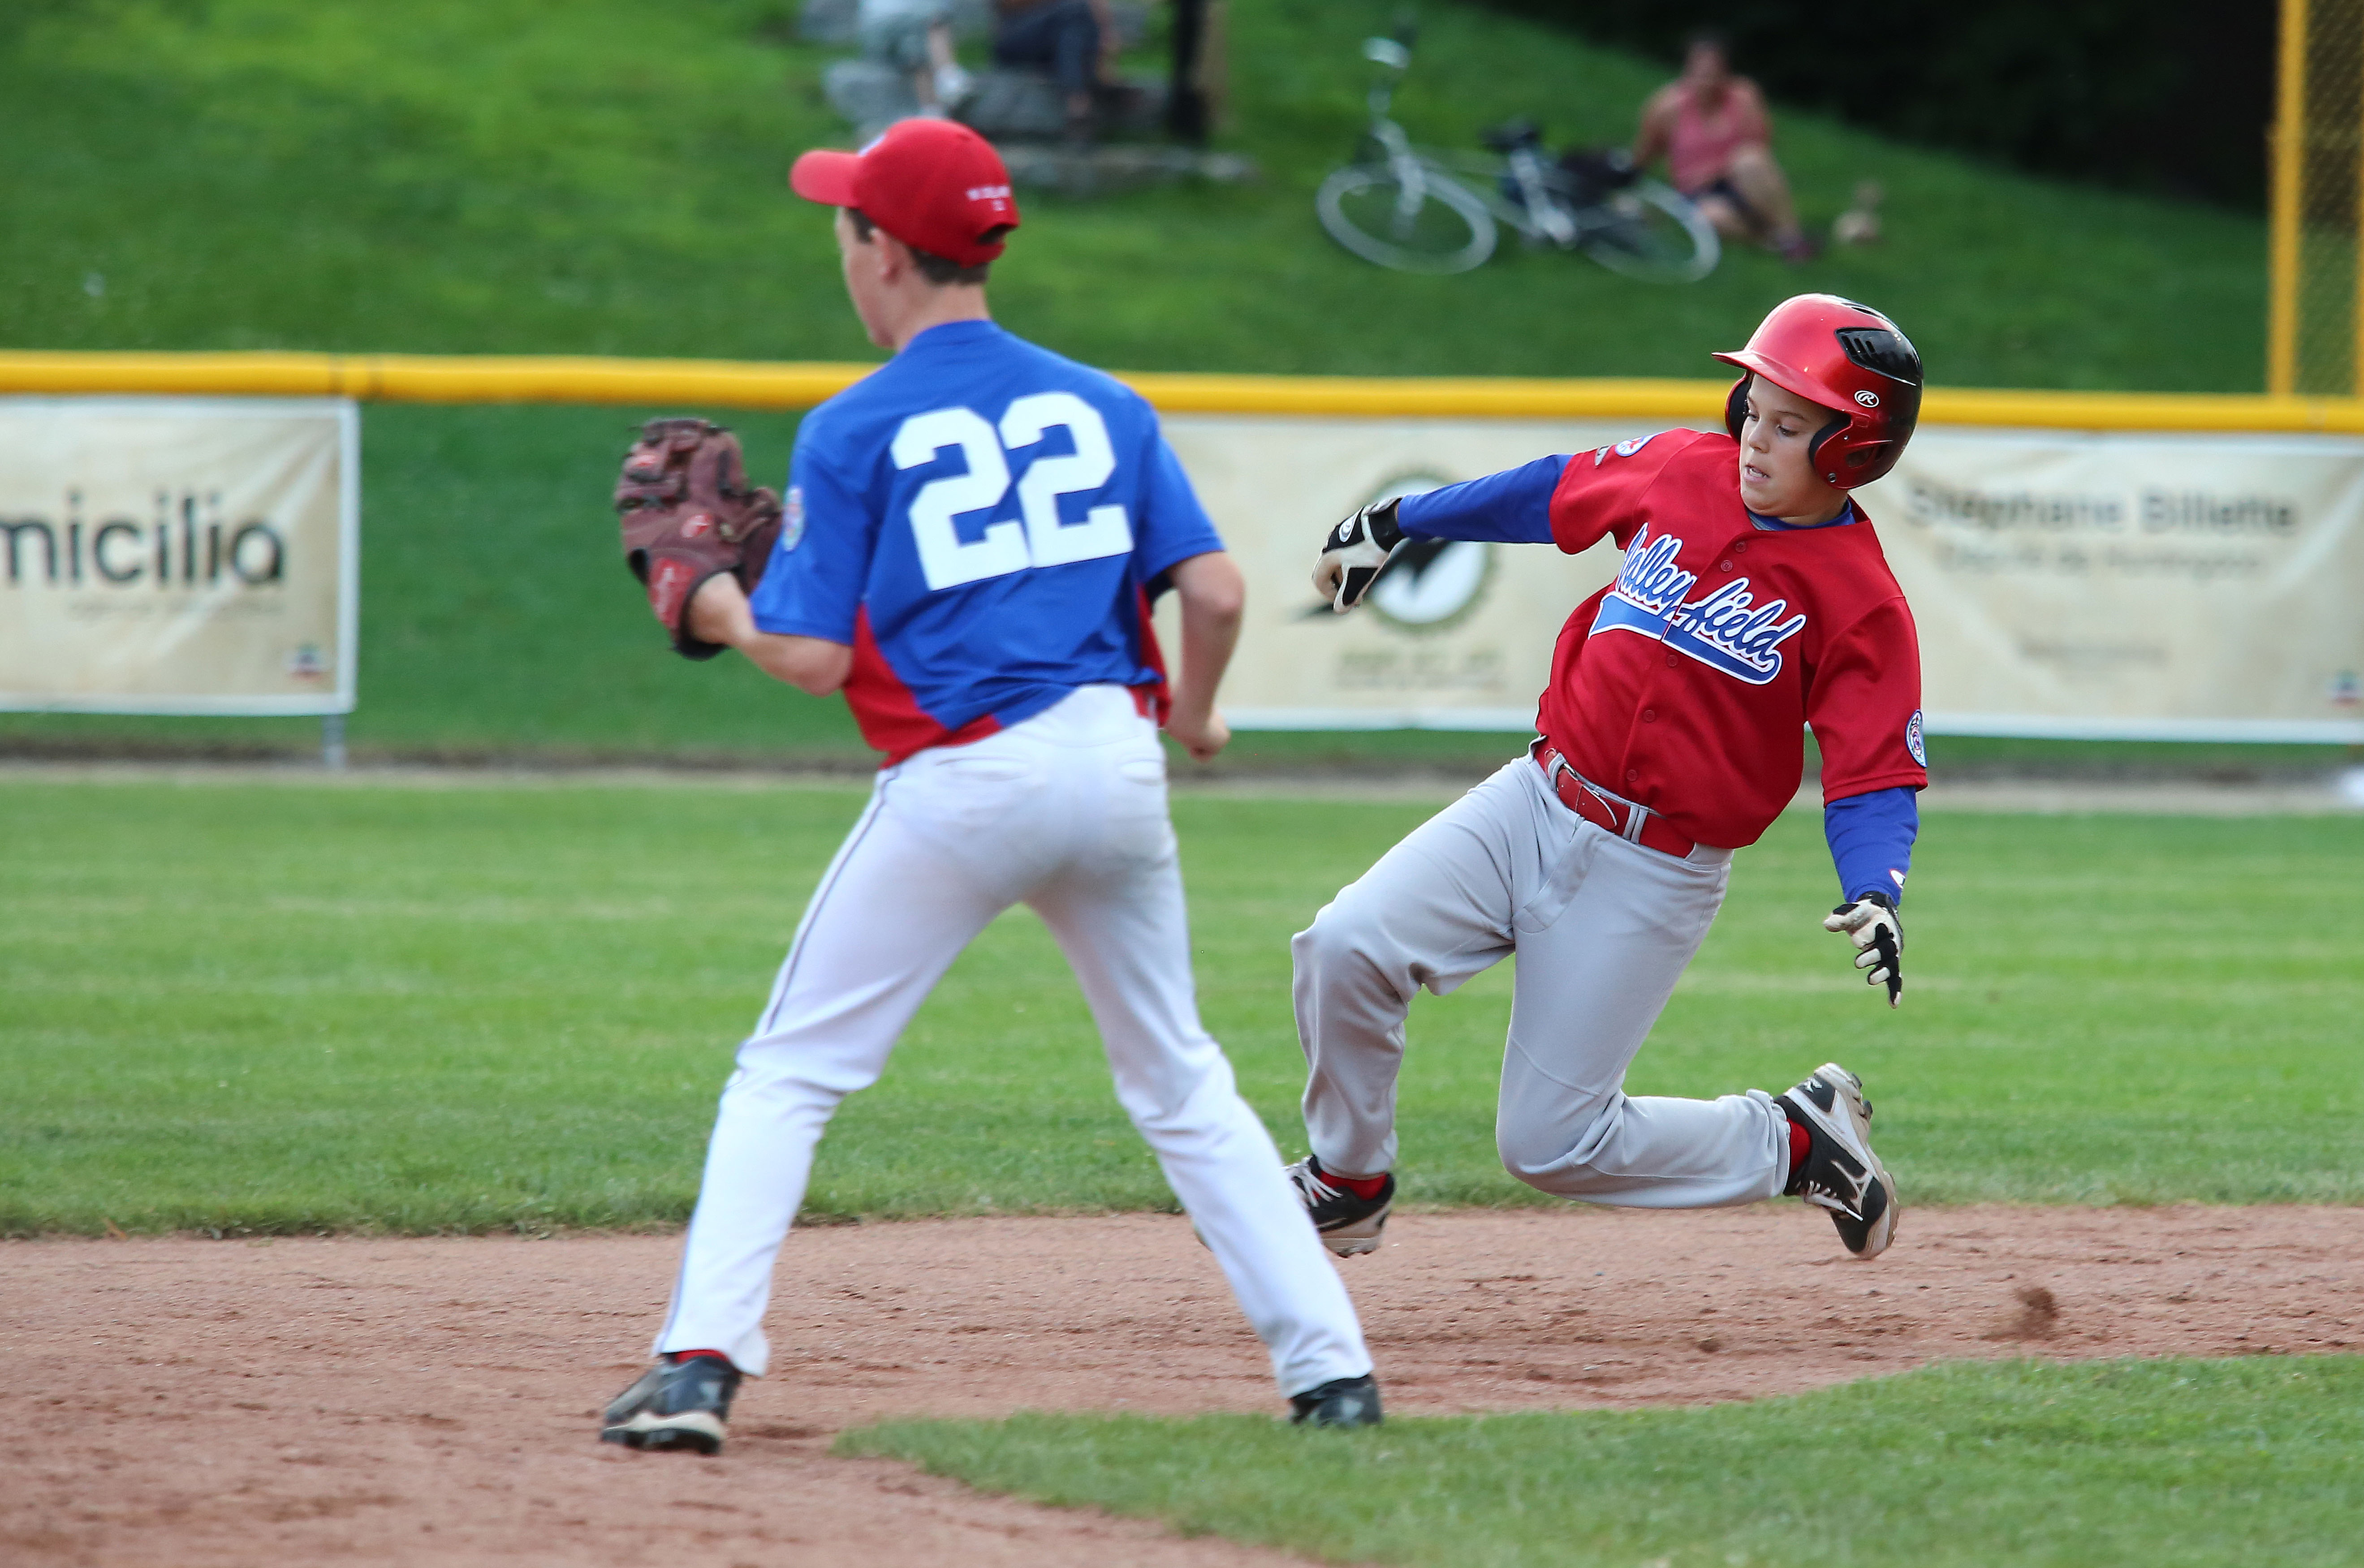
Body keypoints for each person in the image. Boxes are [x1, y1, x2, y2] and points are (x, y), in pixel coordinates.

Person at [600, 118, 1381, 1454]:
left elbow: (811, 657)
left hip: (966, 776)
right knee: (1181, 1080)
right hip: (1114, 764)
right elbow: (1215, 590)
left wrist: (710, 600)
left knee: (789, 1070)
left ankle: (697, 1367)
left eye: (846, 227)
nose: (843, 249)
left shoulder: (856, 424)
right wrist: (1195, 716)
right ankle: (1333, 1374)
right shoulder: (1105, 403)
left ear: (885, 253)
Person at [1292, 293, 1927, 1263]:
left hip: (1655, 870)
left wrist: (1876, 888)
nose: (1755, 439)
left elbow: (1872, 771)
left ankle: (1795, 1143)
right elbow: (1549, 492)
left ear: (1854, 450)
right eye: (1752, 409)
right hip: (1534, 800)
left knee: (1550, 1145)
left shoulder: (1861, 599)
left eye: (1790, 426)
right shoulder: (1683, 468)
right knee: (1345, 944)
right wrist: (1401, 519)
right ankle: (1348, 1181)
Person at [1632, 32, 1815, 260]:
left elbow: (1761, 145)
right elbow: (1645, 153)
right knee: (1712, 218)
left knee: (1750, 160)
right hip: (1699, 192)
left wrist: (1722, 168)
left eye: (1713, 71)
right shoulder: (1667, 107)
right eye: (1700, 71)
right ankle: (1769, 241)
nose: (1707, 79)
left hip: (1737, 179)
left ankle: (1792, 236)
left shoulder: (1744, 96)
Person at [991, 0, 1117, 137]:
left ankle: (1077, 102)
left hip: (1058, 36)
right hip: (1015, 36)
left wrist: (1104, 35)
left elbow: (1097, 9)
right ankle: (1080, 99)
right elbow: (1007, 5)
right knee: (1074, 12)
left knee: (1074, 22)